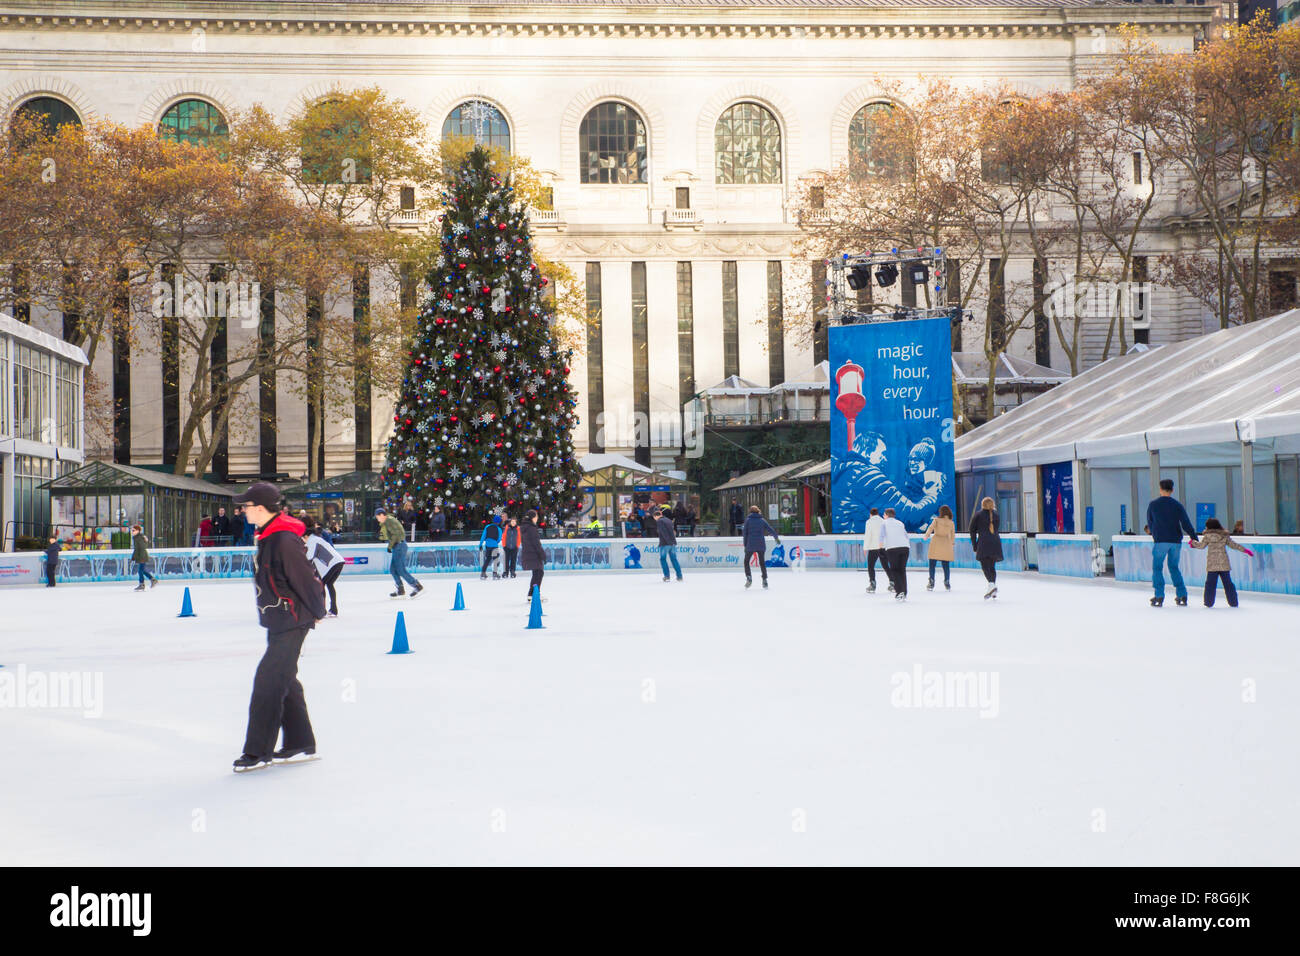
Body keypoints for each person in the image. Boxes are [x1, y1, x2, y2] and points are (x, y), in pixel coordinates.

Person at [230, 482, 327, 772]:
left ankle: (257, 752)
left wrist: (318, 610)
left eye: (246, 506)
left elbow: (305, 577)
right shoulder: (269, 536)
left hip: (294, 619)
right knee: (286, 680)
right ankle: (300, 743)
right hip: (280, 618)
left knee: (268, 682)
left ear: (260, 508)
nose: (242, 510)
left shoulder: (283, 538)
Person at [1146, 478, 1198, 607]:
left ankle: (1159, 595)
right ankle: (1182, 594)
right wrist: (1193, 536)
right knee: (1174, 567)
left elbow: (1150, 522)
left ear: (1160, 489)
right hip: (1175, 541)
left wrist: (1155, 534)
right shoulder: (1177, 505)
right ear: (1172, 490)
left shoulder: (1153, 505)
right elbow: (1185, 523)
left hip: (1161, 541)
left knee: (1157, 568)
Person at [1190, 518, 1254, 608]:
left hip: (1212, 565)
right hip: (1224, 564)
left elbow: (1201, 546)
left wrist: (1193, 543)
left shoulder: (1207, 536)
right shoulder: (1224, 536)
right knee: (1228, 584)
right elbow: (1234, 545)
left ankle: (1208, 602)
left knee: (1210, 584)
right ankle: (1233, 602)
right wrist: (1245, 550)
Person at [303, 518, 345, 618]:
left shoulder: (312, 540)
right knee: (329, 584)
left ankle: (322, 611)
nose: (303, 541)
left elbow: (309, 557)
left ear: (306, 536)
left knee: (321, 586)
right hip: (338, 562)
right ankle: (333, 610)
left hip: (333, 564)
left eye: (303, 538)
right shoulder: (317, 539)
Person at [377, 506, 422, 598]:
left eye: (377, 517)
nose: (377, 519)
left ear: (381, 515)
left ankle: (417, 586)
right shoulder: (387, 521)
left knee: (401, 569)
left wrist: (390, 546)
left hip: (400, 546)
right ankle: (400, 589)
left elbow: (396, 534)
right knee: (393, 569)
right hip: (397, 546)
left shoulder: (389, 521)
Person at [969, 497, 1003, 600]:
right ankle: (992, 590)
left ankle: (992, 586)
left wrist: (974, 545)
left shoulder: (978, 515)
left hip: (983, 543)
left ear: (982, 504)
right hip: (995, 543)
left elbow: (972, 530)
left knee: (985, 566)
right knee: (992, 567)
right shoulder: (996, 514)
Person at [741, 504, 780, 589]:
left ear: (750, 512)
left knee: (746, 561)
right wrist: (776, 538)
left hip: (750, 544)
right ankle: (765, 580)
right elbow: (770, 529)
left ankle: (749, 578)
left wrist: (745, 545)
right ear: (758, 511)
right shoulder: (762, 520)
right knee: (762, 563)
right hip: (760, 544)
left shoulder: (748, 521)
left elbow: (745, 534)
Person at [880, 507, 911, 601]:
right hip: (905, 547)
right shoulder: (900, 523)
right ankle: (904, 592)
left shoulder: (884, 523)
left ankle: (899, 591)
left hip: (892, 548)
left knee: (894, 570)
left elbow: (881, 537)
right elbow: (906, 536)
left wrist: (880, 549)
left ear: (886, 515)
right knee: (902, 570)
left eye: (884, 515)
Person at [923, 505, 956, 591]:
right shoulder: (951, 523)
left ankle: (931, 582)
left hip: (936, 541)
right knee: (945, 565)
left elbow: (930, 528)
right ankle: (947, 582)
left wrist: (927, 535)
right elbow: (952, 534)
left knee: (932, 564)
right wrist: (952, 543)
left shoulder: (936, 520)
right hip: (946, 542)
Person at [520, 508, 546, 601]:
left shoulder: (525, 527)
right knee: (539, 573)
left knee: (537, 573)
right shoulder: (531, 528)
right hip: (534, 554)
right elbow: (536, 543)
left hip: (528, 553)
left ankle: (532, 594)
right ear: (533, 517)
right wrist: (542, 555)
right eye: (536, 516)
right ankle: (534, 594)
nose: (537, 518)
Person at [862, 506, 886, 593]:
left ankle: (872, 584)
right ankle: (892, 582)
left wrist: (865, 548)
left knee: (871, 566)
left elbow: (868, 536)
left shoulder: (869, 522)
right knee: (886, 566)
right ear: (878, 513)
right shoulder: (883, 521)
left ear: (870, 514)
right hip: (883, 547)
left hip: (873, 548)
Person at [656, 507, 683, 582]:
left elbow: (663, 533)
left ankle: (667, 576)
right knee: (674, 559)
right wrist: (672, 542)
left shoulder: (660, 521)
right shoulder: (669, 520)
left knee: (663, 559)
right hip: (672, 543)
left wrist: (668, 542)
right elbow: (673, 532)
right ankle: (679, 576)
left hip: (665, 543)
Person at [131, 524, 158, 591]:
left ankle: (143, 584)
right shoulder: (137, 537)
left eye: (133, 530)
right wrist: (134, 556)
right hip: (140, 556)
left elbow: (142, 548)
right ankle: (151, 580)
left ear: (138, 531)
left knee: (140, 571)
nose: (132, 532)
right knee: (141, 570)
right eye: (132, 530)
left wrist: (138, 556)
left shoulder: (139, 537)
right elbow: (136, 548)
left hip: (142, 556)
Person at [479, 514, 503, 579]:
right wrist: (495, 542)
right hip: (494, 546)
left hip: (488, 546)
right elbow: (499, 539)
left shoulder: (487, 527)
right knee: (495, 560)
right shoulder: (499, 529)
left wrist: (480, 545)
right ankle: (495, 574)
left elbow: (483, 536)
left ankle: (483, 573)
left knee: (487, 559)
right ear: (498, 522)